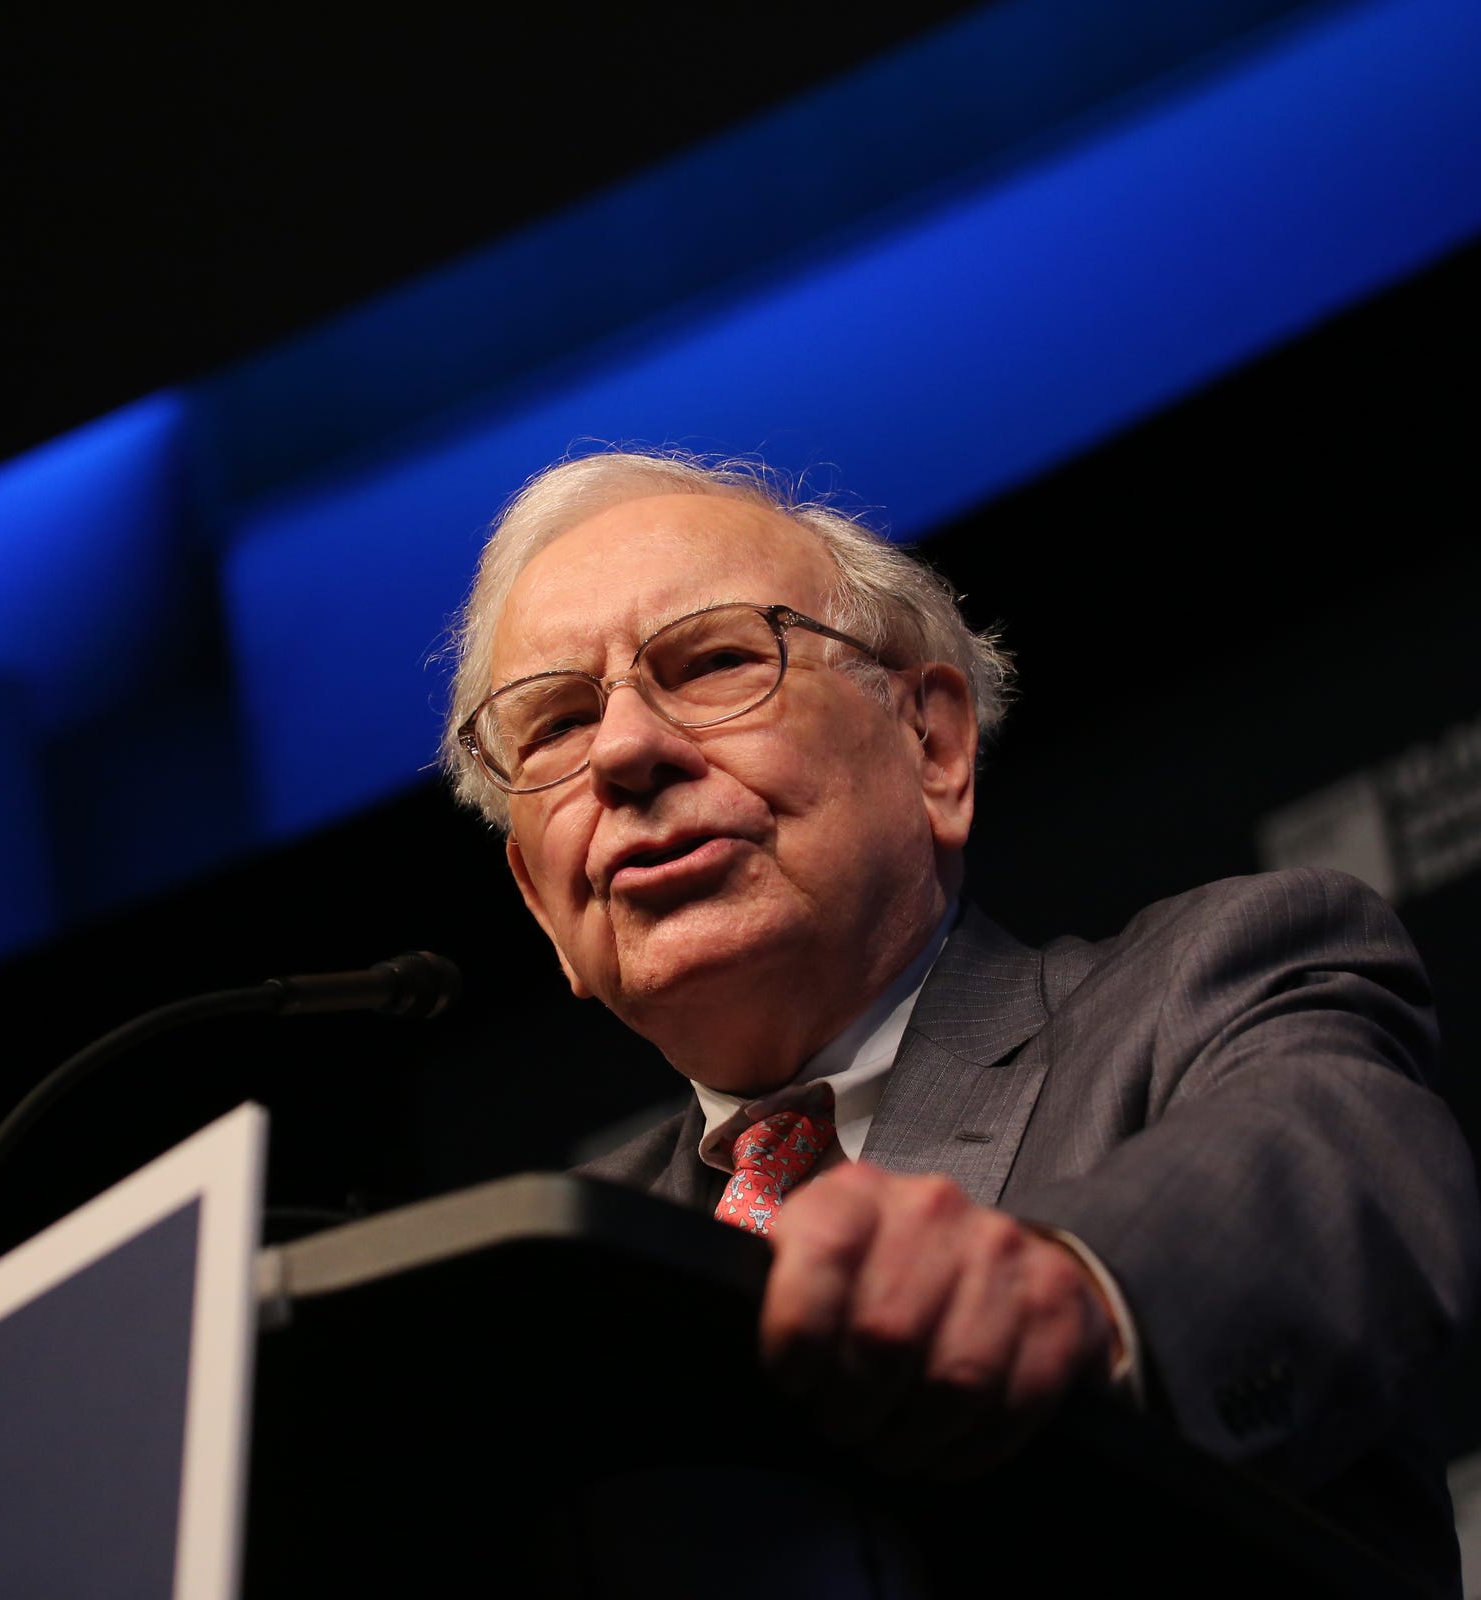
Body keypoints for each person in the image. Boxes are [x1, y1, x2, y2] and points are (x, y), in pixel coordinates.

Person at [441, 446, 1479, 1588]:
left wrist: (1068, 1290)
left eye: (714, 661)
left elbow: (1339, 1176)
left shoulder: (1212, 981)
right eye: (554, 726)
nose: (627, 753)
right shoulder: (556, 1288)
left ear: (930, 745)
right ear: (542, 906)